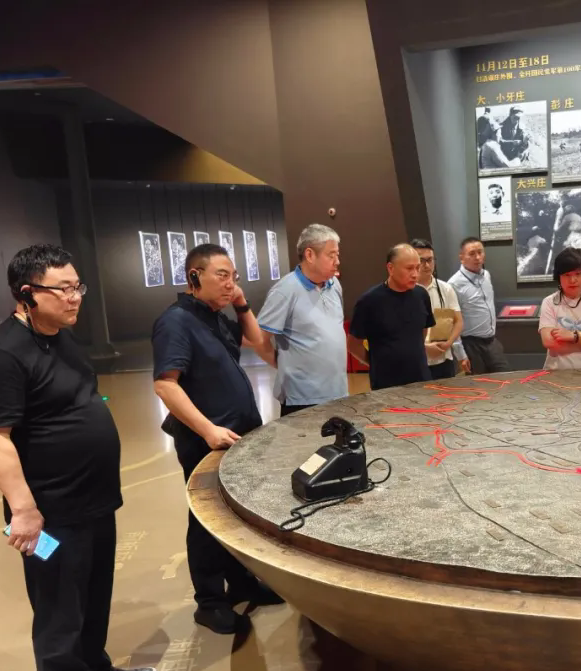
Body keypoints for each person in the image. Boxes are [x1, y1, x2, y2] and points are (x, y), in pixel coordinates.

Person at [0, 244, 155, 671]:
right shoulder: (2, 355)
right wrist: (23, 511)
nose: (75, 297)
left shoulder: (61, 337)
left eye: (78, 286)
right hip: (49, 515)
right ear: (27, 294)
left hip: (92, 500)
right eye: (64, 289)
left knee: (93, 594)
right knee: (58, 610)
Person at [152, 243, 280, 635]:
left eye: (234, 277)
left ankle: (241, 583)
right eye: (222, 275)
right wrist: (208, 429)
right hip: (206, 441)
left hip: (237, 436)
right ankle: (209, 601)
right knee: (207, 520)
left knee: (235, 515)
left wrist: (240, 304)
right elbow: (165, 385)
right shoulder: (176, 321)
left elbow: (256, 340)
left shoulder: (216, 317)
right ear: (194, 277)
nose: (230, 283)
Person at [254, 224, 348, 416]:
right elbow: (259, 339)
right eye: (331, 255)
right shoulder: (285, 290)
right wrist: (282, 365)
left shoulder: (335, 285)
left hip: (339, 392)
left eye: (337, 255)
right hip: (302, 399)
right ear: (310, 255)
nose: (337, 261)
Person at [347, 244, 435, 390]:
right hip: (386, 384)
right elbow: (353, 344)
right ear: (391, 268)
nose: (415, 274)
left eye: (417, 268)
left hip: (421, 379)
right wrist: (376, 363)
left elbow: (422, 331)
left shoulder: (421, 295)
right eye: (409, 268)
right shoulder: (369, 301)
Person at [449, 237, 510, 373]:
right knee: (480, 383)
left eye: (480, 252)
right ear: (461, 257)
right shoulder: (454, 285)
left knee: (505, 378)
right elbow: (452, 322)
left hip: (491, 341)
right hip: (471, 345)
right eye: (471, 254)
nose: (477, 257)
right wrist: (460, 354)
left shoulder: (486, 275)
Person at [412, 237, 471, 379]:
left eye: (430, 260)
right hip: (416, 361)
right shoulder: (405, 291)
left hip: (443, 359)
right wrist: (425, 348)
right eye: (421, 260)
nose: (427, 265)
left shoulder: (446, 288)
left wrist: (448, 343)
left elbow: (458, 321)